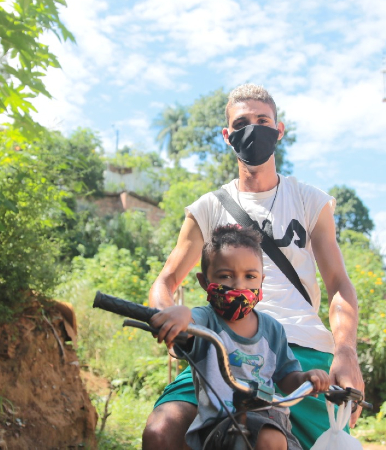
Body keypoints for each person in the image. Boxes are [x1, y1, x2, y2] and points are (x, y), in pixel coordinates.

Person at [143, 84, 364, 450]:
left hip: (299, 346)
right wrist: (170, 319)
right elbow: (166, 279)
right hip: (219, 343)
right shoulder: (208, 208)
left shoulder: (310, 201)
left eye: (262, 120)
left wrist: (346, 353)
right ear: (228, 136)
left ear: (278, 130)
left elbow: (339, 282)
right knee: (161, 432)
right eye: (242, 122)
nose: (253, 128)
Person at [151, 224, 331, 450]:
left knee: (271, 439)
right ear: (205, 282)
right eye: (225, 276)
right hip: (220, 423)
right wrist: (180, 314)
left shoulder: (272, 329)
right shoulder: (205, 320)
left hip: (273, 420)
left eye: (250, 276)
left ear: (261, 281)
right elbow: (187, 328)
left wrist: (307, 378)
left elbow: (287, 377)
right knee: (264, 439)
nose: (239, 285)